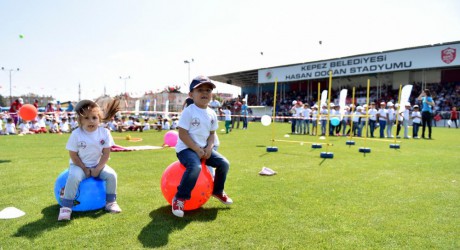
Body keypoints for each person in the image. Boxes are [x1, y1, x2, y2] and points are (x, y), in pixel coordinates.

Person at [172, 75, 232, 218]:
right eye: (200, 90)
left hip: (204, 149)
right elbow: (183, 134)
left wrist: (209, 148)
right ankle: (179, 198)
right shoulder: (189, 111)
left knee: (224, 163)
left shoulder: (212, 113)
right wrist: (196, 149)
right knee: (195, 167)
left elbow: (212, 134)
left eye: (208, 90)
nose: (205, 93)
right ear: (191, 94)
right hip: (186, 149)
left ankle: (217, 191)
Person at [58, 99, 122, 221]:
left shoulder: (105, 132)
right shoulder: (76, 134)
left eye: (94, 117)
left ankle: (110, 203)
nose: (91, 121)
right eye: (86, 118)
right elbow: (73, 155)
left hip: (98, 164)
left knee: (112, 175)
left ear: (99, 118)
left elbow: (106, 154)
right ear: (80, 120)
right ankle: (66, 207)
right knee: (74, 177)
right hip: (78, 165)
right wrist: (84, 169)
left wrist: (98, 168)